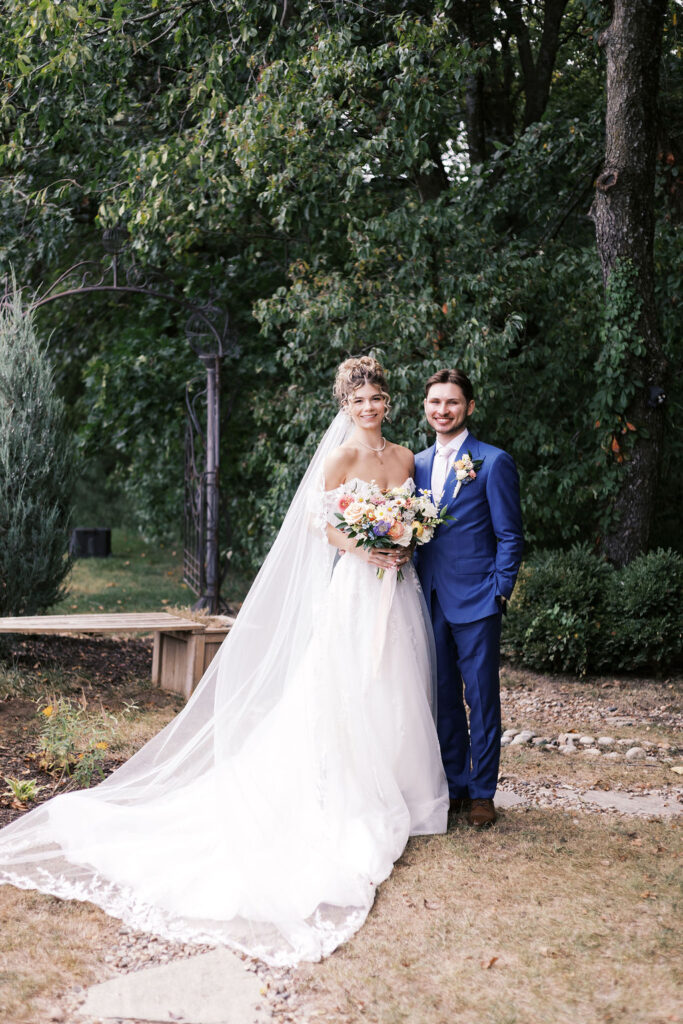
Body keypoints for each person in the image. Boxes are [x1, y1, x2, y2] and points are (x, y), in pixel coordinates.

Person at [0, 356, 448, 966]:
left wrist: (401, 541)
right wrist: (370, 545)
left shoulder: (404, 459)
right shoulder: (339, 459)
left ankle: (399, 786)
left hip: (396, 594)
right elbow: (327, 529)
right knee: (343, 687)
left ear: (388, 401)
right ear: (344, 406)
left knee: (394, 683)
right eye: (359, 400)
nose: (369, 407)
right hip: (354, 588)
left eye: (377, 398)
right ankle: (342, 791)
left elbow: (415, 517)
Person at [414, 369, 524, 828]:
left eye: (452, 402)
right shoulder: (415, 463)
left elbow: (510, 536)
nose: (443, 410)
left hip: (478, 598)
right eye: (435, 402)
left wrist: (499, 591)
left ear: (469, 407)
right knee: (440, 697)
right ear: (426, 407)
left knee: (481, 699)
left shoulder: (493, 462)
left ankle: (483, 793)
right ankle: (455, 787)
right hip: (427, 596)